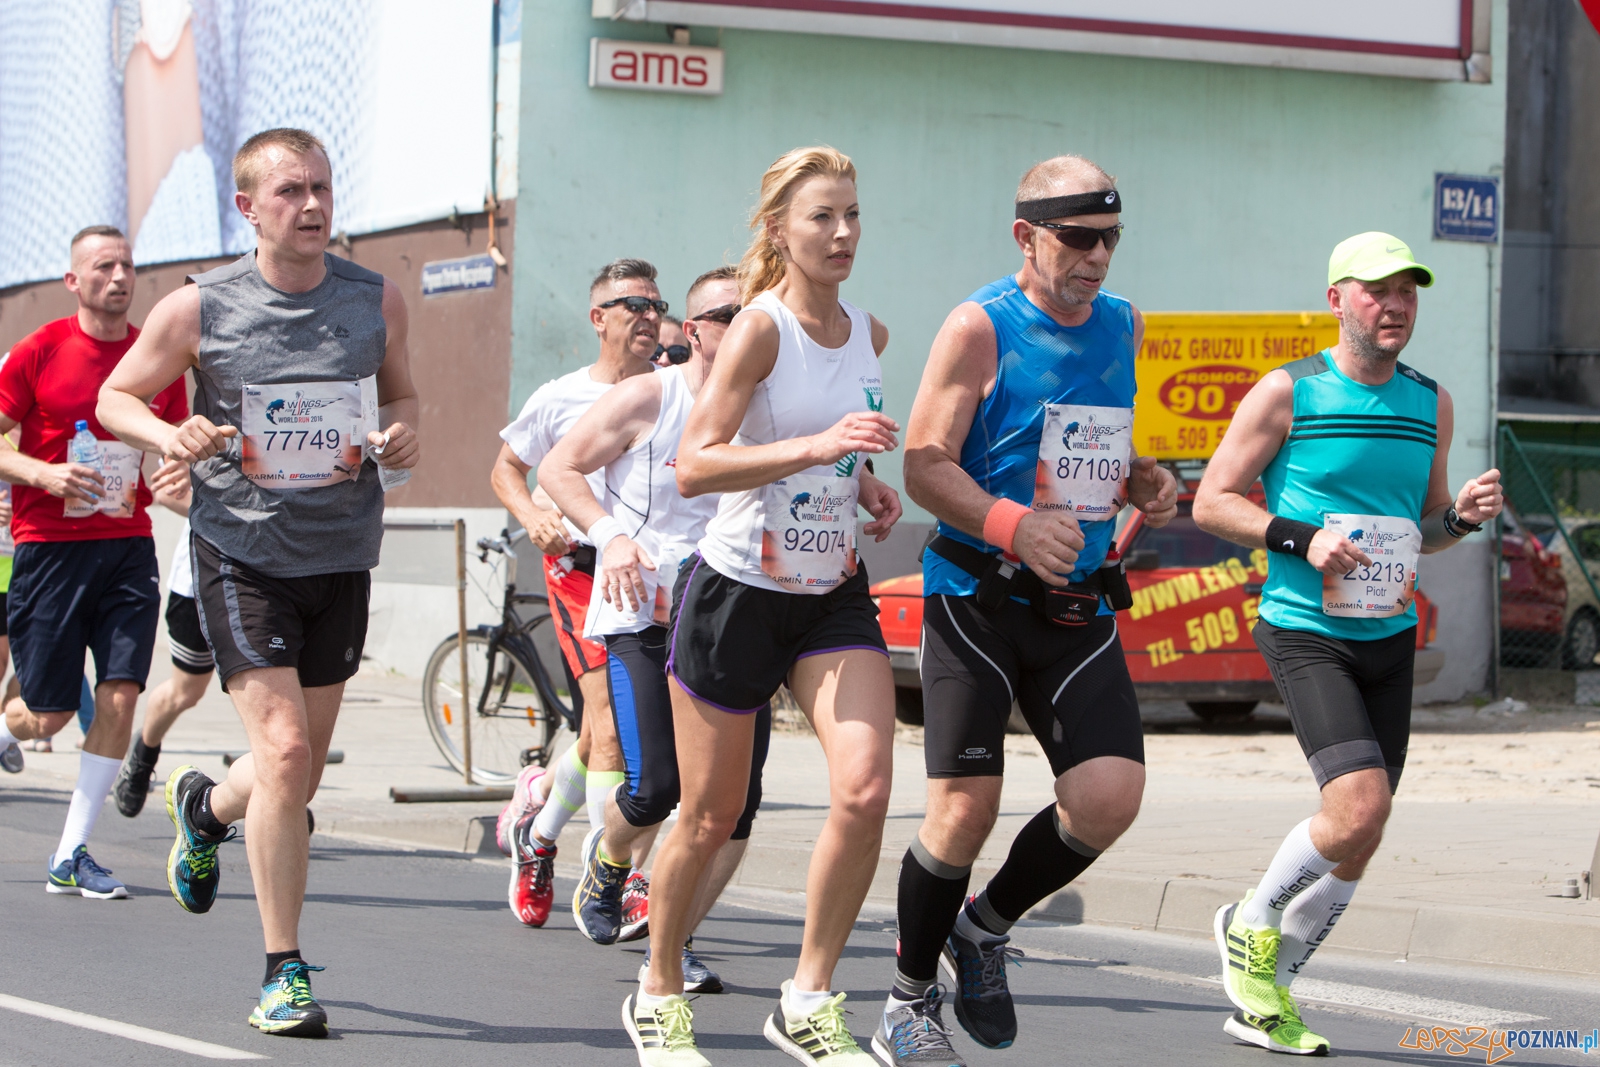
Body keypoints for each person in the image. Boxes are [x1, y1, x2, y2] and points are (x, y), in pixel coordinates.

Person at [97, 126, 420, 1037]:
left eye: (322, 187)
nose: (312, 205)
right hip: (242, 552)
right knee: (283, 754)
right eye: (290, 191)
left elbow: (401, 392)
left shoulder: (375, 297)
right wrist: (171, 434)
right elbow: (116, 397)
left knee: (296, 773)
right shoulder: (200, 307)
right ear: (248, 207)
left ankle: (203, 809)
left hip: (341, 552)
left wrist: (403, 434)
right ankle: (284, 971)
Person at [878, 156, 1177, 1066]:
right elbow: (923, 463)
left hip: (1076, 602)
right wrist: (1012, 524)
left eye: (1111, 238)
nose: (1098, 257)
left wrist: (1144, 479)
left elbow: (1089, 446)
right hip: (977, 596)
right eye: (1078, 238)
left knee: (1108, 797)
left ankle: (983, 928)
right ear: (1027, 236)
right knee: (964, 811)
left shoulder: (1124, 323)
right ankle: (905, 1001)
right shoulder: (979, 326)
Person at [622, 146, 902, 1067]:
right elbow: (696, 464)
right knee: (709, 817)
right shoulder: (758, 330)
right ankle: (659, 990)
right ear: (780, 230)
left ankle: (808, 997)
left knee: (865, 789)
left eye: (853, 214)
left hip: (830, 593)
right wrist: (819, 445)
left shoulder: (869, 331)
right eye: (823, 216)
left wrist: (862, 480)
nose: (844, 232)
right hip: (738, 592)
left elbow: (839, 443)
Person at [1193, 233, 1502, 1055]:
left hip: (1389, 634)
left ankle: (1269, 991)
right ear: (1337, 301)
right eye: (1377, 290)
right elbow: (1212, 501)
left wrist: (1461, 516)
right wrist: (1303, 538)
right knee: (1357, 806)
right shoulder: (1288, 391)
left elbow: (1425, 527)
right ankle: (1251, 919)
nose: (1395, 305)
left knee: (1364, 832)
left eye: (1407, 291)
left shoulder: (1431, 402)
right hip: (1306, 629)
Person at [540, 266, 758, 991]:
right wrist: (610, 537)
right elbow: (558, 467)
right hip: (645, 612)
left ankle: (674, 942)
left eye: (754, 313)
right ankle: (608, 860)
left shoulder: (768, 404)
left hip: (732, 618)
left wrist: (868, 486)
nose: (744, 325)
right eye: (727, 315)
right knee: (657, 786)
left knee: (735, 807)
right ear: (693, 330)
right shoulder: (651, 397)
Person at [0, 226, 188, 896]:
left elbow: (171, 452)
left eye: (127, 265)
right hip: (49, 549)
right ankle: (5, 726)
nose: (119, 277)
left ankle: (70, 851)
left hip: (129, 546)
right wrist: (42, 474)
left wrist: (181, 477)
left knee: (120, 694)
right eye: (103, 266)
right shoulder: (40, 350)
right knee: (46, 716)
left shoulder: (153, 358)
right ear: (73, 281)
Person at [490, 258, 662, 929]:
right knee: (614, 724)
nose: (648, 316)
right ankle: (613, 877)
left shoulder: (672, 390)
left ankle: (536, 828)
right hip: (580, 569)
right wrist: (531, 513)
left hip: (651, 573)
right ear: (598, 318)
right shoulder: (560, 396)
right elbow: (507, 469)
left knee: (599, 735)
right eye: (632, 305)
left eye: (655, 305)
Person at [112, 486, 216, 817]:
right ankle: (144, 751)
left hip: (277, 581)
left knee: (272, 697)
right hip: (201, 582)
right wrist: (236, 515)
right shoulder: (203, 445)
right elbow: (166, 491)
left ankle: (282, 793)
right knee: (185, 693)